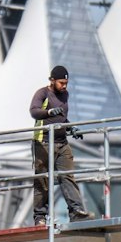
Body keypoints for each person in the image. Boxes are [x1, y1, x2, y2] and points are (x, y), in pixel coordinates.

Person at [30, 64, 93, 226]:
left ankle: (76, 212)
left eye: (66, 83)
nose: (64, 86)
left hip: (61, 142)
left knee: (68, 176)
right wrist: (49, 112)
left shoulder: (65, 95)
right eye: (61, 83)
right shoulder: (43, 93)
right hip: (43, 142)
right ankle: (40, 217)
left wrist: (70, 127)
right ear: (52, 81)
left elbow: (62, 118)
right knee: (42, 180)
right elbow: (34, 111)